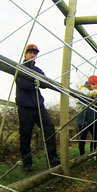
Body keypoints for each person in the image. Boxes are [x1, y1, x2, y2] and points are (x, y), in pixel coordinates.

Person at [15, 44, 60, 172]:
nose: (33, 54)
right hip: (25, 107)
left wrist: (40, 82)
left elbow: (45, 82)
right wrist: (35, 82)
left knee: (49, 128)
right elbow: (22, 83)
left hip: (38, 106)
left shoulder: (38, 70)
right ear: (25, 54)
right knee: (25, 135)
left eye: (35, 53)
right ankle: (27, 163)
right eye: (30, 52)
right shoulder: (20, 68)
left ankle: (52, 157)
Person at [76, 75, 97, 155]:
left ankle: (92, 152)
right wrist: (96, 92)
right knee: (83, 137)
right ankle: (82, 155)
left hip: (93, 118)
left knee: (95, 136)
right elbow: (87, 94)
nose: (95, 86)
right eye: (93, 84)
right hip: (83, 118)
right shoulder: (83, 88)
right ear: (89, 84)